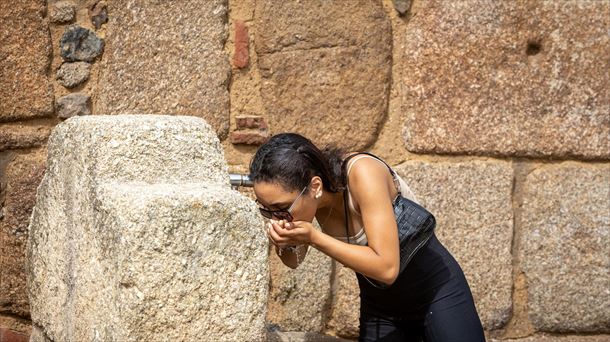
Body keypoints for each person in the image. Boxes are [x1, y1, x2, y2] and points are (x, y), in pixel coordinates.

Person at [249, 133, 485, 342]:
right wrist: (283, 242)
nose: (276, 216)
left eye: (280, 207)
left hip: (435, 292)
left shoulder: (362, 173)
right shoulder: (308, 202)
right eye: (266, 208)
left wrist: (315, 238)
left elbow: (387, 268)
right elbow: (294, 260)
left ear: (315, 186)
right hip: (380, 305)